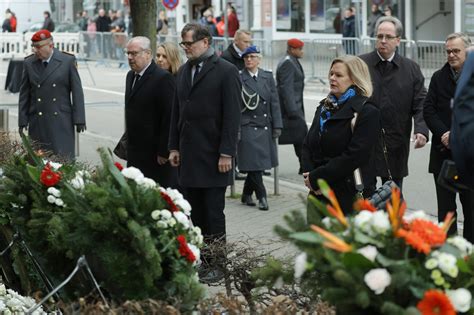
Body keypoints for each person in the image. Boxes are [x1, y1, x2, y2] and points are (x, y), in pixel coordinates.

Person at [168, 23, 241, 282]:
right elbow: (178, 112)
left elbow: (232, 117)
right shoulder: (184, 71)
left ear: (206, 42)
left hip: (213, 157)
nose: (186, 49)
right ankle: (202, 261)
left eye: (189, 44)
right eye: (183, 45)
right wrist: (174, 146)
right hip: (189, 156)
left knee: (213, 214)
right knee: (195, 214)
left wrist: (226, 153)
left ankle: (218, 266)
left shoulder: (226, 72)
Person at [302, 55, 381, 213]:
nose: (332, 78)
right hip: (318, 193)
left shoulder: (366, 111)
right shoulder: (325, 106)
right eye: (331, 74)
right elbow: (308, 144)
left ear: (354, 79)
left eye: (338, 75)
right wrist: (310, 178)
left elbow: (354, 156)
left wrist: (318, 178)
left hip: (349, 193)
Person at [359, 16, 428, 192]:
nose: (383, 41)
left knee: (393, 198)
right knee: (365, 197)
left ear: (398, 40)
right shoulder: (360, 64)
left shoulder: (411, 68)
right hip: (364, 141)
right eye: (379, 36)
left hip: (395, 141)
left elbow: (421, 102)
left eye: (388, 37)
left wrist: (421, 129)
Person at [423, 32, 474, 242]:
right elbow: (428, 110)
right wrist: (444, 133)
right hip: (442, 155)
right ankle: (446, 253)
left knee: (471, 210)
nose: (451, 55)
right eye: (448, 51)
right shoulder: (438, 77)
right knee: (446, 211)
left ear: (468, 52)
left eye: (456, 51)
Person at [18, 30, 86, 159]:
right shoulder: (29, 63)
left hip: (61, 120)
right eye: (33, 47)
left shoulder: (67, 61)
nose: (35, 50)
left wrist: (80, 118)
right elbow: (24, 95)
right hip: (37, 120)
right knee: (39, 162)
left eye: (38, 47)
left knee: (62, 160)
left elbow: (77, 91)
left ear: (50, 45)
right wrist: (22, 120)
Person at [123, 36, 177, 188]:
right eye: (127, 53)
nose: (130, 57)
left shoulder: (163, 78)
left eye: (134, 53)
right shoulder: (131, 76)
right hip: (135, 151)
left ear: (147, 54)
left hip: (154, 154)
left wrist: (164, 150)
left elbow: (169, 117)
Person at [238, 46, 282, 211]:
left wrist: (277, 124)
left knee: (257, 164)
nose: (249, 60)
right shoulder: (239, 77)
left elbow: (274, 102)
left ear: (259, 59)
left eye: (252, 57)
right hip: (248, 124)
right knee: (256, 163)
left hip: (264, 125)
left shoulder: (267, 76)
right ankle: (262, 196)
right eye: (246, 57)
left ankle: (246, 194)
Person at [276, 38, 308, 175]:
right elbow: (286, 88)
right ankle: (305, 166)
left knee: (300, 138)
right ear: (291, 49)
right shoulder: (288, 63)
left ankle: (304, 165)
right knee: (301, 138)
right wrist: (293, 111)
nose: (302, 52)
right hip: (292, 109)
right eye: (300, 49)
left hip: (295, 107)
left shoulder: (291, 60)